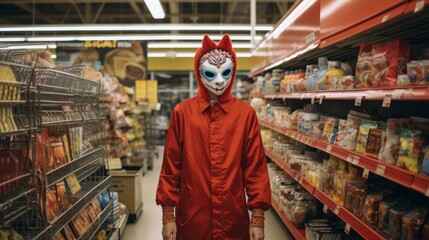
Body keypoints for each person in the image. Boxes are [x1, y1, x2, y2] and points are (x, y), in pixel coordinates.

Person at [156, 34, 271, 240]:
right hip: (193, 218)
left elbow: (255, 168)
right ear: (199, 73)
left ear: (233, 72)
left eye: (226, 72)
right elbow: (170, 167)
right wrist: (168, 216)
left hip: (233, 217)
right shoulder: (182, 112)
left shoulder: (245, 114)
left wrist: (258, 217)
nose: (219, 81)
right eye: (210, 74)